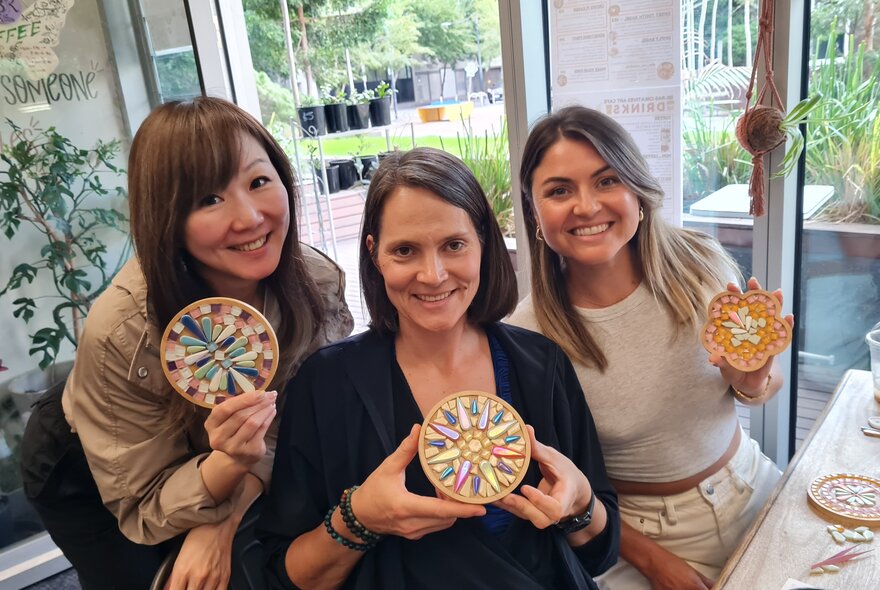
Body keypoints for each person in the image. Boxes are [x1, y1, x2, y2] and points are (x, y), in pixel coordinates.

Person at [20, 97, 353, 590]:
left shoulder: (316, 283)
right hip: (102, 459)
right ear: (167, 220)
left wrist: (223, 517)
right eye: (208, 200)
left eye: (259, 182)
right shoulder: (124, 332)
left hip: (229, 459)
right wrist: (219, 484)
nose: (249, 218)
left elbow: (295, 421)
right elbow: (143, 502)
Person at [257, 147, 620, 589]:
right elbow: (285, 576)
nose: (432, 275)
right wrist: (359, 520)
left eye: (454, 245)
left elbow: (600, 551)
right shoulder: (327, 385)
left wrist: (578, 501)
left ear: (483, 243)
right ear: (374, 254)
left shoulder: (541, 364)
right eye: (405, 250)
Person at [507, 106, 791, 590]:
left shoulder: (700, 263)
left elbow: (758, 385)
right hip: (635, 542)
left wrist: (752, 381)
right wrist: (656, 563)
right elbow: (559, 485)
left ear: (636, 192)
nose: (586, 206)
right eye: (559, 190)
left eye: (606, 180)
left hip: (752, 487)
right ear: (535, 211)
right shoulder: (529, 336)